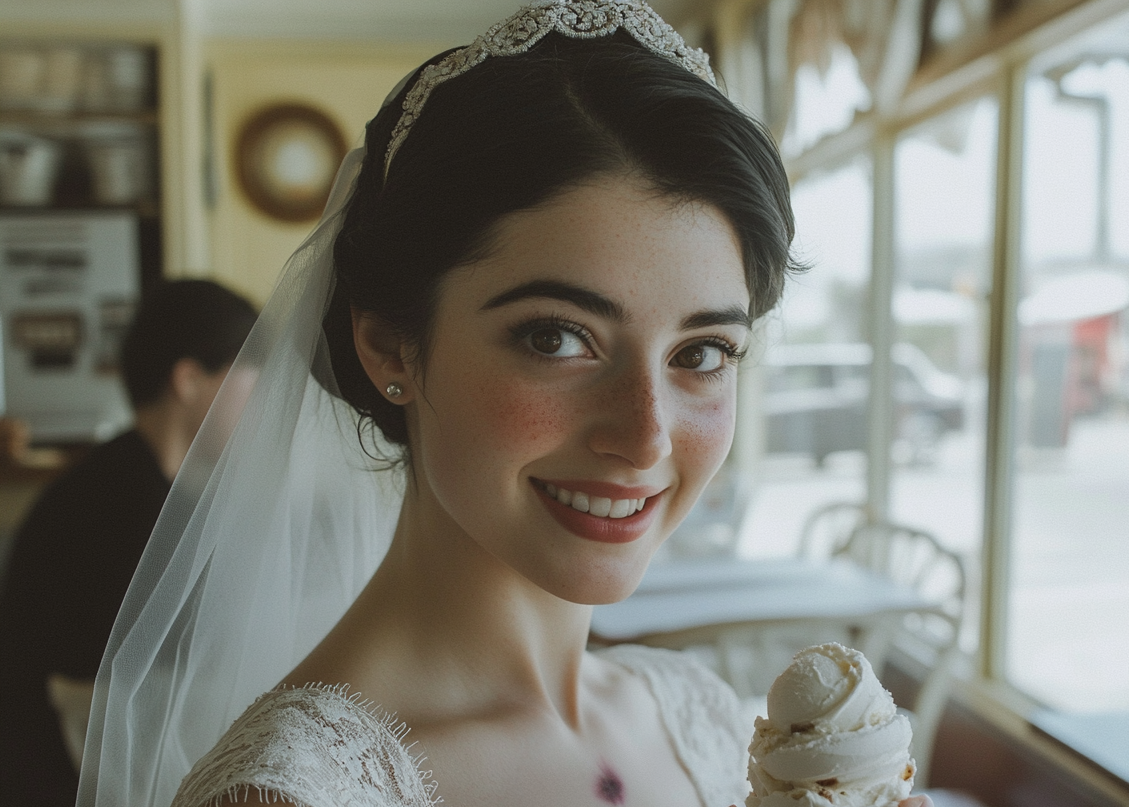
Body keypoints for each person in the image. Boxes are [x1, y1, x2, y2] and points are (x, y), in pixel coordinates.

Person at [78, 3, 936, 807]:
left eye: (702, 353)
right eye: (557, 338)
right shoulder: (294, 792)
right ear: (390, 346)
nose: (644, 437)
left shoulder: (698, 713)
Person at [0, 280, 257, 806]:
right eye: (253, 378)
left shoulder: (166, 494)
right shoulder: (101, 512)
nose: (265, 404)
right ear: (188, 380)